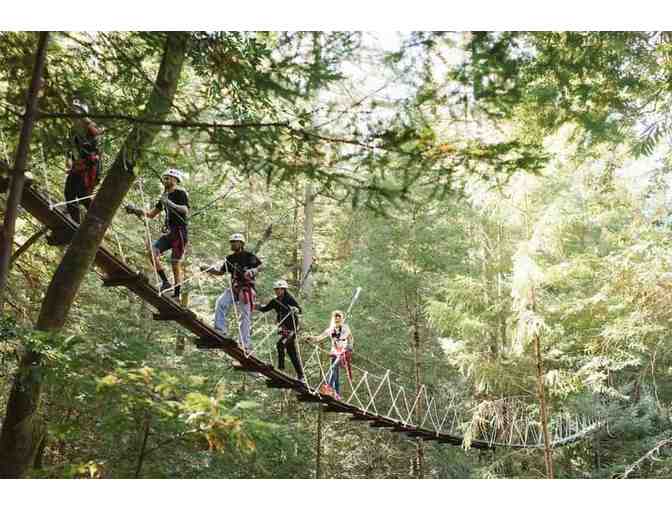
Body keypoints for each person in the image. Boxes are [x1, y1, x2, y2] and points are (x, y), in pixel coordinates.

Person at [125, 168, 189, 299]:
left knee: (175, 263)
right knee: (152, 252)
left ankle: (177, 294)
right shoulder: (164, 197)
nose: (166, 180)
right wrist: (135, 210)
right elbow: (151, 214)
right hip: (170, 233)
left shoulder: (180, 193)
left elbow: (185, 210)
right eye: (165, 178)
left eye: (168, 178)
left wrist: (170, 203)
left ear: (175, 180)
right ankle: (165, 282)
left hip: (180, 232)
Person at [201, 233, 262, 353]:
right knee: (221, 303)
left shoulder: (249, 256)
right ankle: (220, 330)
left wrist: (253, 271)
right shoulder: (229, 258)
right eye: (231, 242)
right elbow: (220, 272)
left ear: (241, 243)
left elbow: (261, 266)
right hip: (234, 288)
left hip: (247, 289)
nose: (232, 244)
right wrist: (208, 269)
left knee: (245, 316)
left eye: (235, 242)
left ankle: (245, 344)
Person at [258, 279, 305, 383]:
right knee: (291, 352)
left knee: (280, 344)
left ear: (284, 290)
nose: (277, 291)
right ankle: (301, 376)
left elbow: (299, 309)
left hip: (292, 329)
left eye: (280, 289)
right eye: (276, 289)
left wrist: (295, 309)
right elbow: (265, 309)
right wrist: (255, 306)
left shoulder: (289, 299)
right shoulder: (275, 301)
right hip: (284, 329)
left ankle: (281, 368)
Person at [65, 99, 103, 223]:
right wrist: (68, 159)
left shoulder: (90, 127)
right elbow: (70, 147)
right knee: (70, 193)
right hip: (78, 166)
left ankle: (95, 220)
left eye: (76, 111)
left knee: (81, 195)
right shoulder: (72, 130)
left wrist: (87, 122)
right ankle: (76, 223)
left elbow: (96, 142)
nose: (73, 115)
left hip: (89, 167)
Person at [309, 310, 354, 399]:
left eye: (339, 319)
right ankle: (337, 394)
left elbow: (351, 338)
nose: (337, 321)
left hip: (343, 352)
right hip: (334, 352)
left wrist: (349, 348)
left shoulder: (345, 328)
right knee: (335, 374)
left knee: (333, 368)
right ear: (333, 320)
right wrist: (311, 338)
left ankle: (328, 387)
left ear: (341, 320)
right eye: (336, 320)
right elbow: (319, 337)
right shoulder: (331, 330)